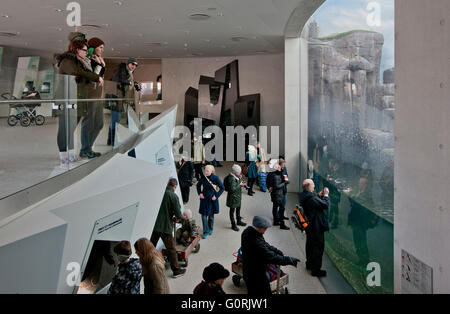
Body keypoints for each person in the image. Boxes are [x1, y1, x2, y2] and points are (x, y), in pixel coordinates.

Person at [56, 33, 103, 164]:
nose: (86, 52)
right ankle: (63, 155)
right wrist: (96, 77)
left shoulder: (80, 62)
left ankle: (70, 153)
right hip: (66, 100)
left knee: (71, 128)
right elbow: (78, 73)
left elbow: (84, 76)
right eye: (84, 50)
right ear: (76, 49)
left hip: (76, 99)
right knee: (65, 129)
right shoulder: (67, 61)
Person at [241, 216, 300, 295]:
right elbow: (271, 256)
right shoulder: (256, 243)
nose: (266, 230)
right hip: (257, 276)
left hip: (248, 271)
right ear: (259, 227)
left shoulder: (247, 232)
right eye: (265, 228)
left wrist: (275, 250)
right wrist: (289, 260)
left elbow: (264, 244)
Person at [150, 178, 186, 278]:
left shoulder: (160, 192)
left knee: (150, 246)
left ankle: (147, 265)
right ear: (175, 186)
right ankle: (176, 270)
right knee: (171, 249)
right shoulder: (173, 196)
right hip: (165, 227)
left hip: (155, 225)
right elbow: (178, 214)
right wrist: (181, 218)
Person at [79, 37, 106, 159]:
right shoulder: (88, 59)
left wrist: (101, 64)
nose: (102, 50)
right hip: (89, 95)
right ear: (93, 47)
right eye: (100, 47)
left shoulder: (98, 59)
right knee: (88, 122)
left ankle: (88, 148)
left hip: (98, 95)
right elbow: (93, 76)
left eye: (102, 48)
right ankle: (85, 150)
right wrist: (100, 65)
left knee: (99, 123)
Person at [300, 179, 330, 277]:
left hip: (309, 226)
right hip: (316, 226)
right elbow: (325, 205)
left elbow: (313, 201)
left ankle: (309, 264)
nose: (314, 186)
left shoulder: (304, 195)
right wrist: (325, 195)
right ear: (308, 186)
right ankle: (316, 270)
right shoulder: (311, 198)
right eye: (313, 184)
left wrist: (318, 195)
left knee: (310, 245)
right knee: (318, 247)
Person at [108, 57, 139, 146]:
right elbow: (119, 79)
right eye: (132, 64)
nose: (134, 66)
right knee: (116, 119)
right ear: (128, 63)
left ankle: (111, 140)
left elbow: (127, 82)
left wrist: (134, 83)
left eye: (136, 65)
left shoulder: (129, 73)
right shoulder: (121, 68)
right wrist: (130, 83)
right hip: (115, 97)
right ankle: (112, 141)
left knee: (116, 119)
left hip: (120, 98)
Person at [197, 165, 225, 239]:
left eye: (207, 171)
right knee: (203, 216)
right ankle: (205, 231)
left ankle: (210, 228)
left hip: (212, 200)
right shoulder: (203, 177)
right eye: (205, 170)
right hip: (204, 199)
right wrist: (200, 193)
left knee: (211, 216)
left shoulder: (215, 178)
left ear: (211, 171)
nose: (205, 172)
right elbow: (198, 185)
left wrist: (216, 196)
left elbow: (222, 188)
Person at [224, 164, 247, 232]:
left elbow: (237, 184)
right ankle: (233, 224)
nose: (241, 173)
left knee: (238, 209)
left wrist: (241, 183)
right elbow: (232, 189)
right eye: (239, 172)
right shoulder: (231, 178)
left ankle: (238, 221)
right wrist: (240, 185)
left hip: (237, 197)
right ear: (235, 172)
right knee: (232, 211)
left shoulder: (236, 176)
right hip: (233, 198)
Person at [267, 162, 290, 230]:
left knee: (277, 206)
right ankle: (279, 222)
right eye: (280, 168)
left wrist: (286, 181)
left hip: (279, 193)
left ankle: (278, 220)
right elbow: (276, 186)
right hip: (278, 194)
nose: (281, 169)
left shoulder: (277, 174)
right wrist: (284, 183)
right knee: (280, 206)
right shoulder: (275, 175)